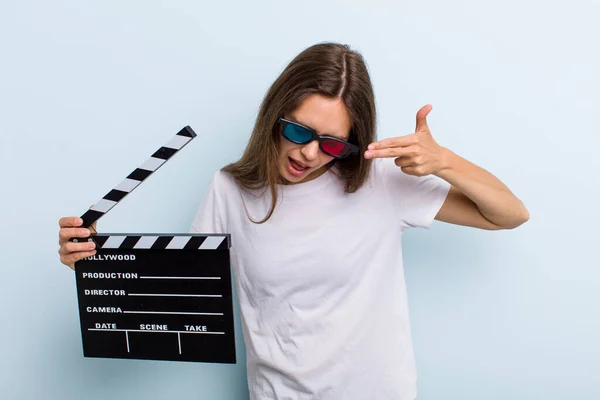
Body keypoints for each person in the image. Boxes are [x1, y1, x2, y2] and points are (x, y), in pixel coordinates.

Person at [58, 42, 529, 399]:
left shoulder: (382, 182)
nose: (308, 153)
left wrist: (443, 160)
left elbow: (509, 215)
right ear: (274, 116)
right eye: (299, 131)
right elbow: (187, 301)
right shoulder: (230, 189)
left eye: (331, 143)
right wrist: (96, 263)